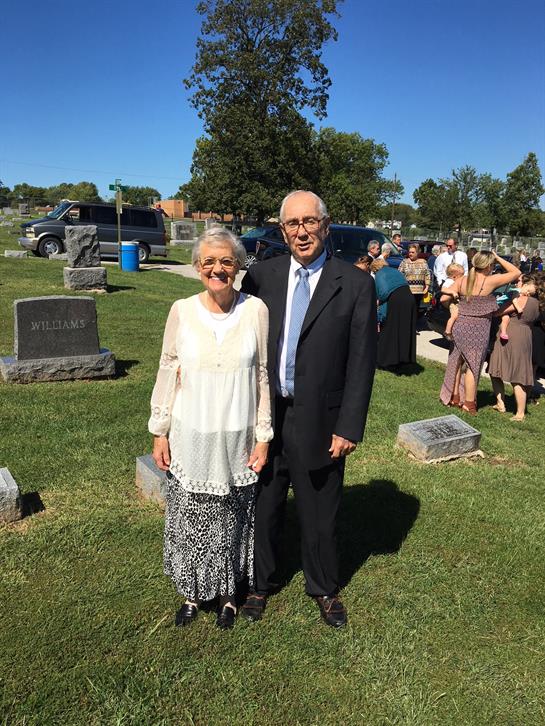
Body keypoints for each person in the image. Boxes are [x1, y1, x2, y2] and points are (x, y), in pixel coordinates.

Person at [240, 190, 376, 628]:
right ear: (282, 231)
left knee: (319, 508)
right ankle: (260, 582)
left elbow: (361, 362)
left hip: (321, 416)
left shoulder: (354, 284)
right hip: (266, 413)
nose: (302, 232)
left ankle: (323, 587)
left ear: (326, 225)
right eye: (292, 224)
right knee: (264, 501)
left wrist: (348, 426)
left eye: (309, 222)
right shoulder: (261, 276)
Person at [149, 227, 273, 630]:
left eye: (226, 261)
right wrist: (160, 430)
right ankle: (191, 592)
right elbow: (167, 369)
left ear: (238, 266)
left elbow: (262, 375)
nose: (217, 269)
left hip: (238, 436)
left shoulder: (255, 310)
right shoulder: (182, 310)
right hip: (190, 434)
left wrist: (263, 437)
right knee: (190, 515)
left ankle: (228, 595)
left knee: (231, 519)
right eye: (208, 261)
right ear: (197, 266)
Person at [439, 250, 520, 414]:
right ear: (489, 265)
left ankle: (454, 397)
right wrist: (498, 257)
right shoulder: (491, 280)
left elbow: (443, 298)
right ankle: (469, 403)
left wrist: (454, 301)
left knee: (456, 361)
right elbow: (516, 272)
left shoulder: (462, 280)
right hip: (479, 327)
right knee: (473, 365)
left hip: (460, 325)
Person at [488, 274, 541, 421]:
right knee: (518, 372)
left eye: (520, 282)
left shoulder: (519, 298)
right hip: (526, 334)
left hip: (511, 335)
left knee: (505, 372)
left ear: (526, 285)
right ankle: (507, 406)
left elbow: (498, 312)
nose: (517, 284)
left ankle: (518, 412)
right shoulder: (537, 303)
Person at [371, 258, 417, 370]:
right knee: (405, 330)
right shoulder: (395, 271)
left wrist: (377, 302)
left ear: (375, 268)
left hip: (396, 301)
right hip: (409, 298)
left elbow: (382, 293)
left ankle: (387, 360)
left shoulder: (380, 274)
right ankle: (404, 359)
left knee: (390, 330)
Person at [498, 277, 536, 342]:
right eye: (528, 291)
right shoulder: (516, 291)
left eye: (530, 294)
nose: (527, 293)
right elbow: (514, 300)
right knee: (506, 318)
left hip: (503, 304)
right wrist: (518, 308)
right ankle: (503, 332)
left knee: (506, 317)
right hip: (500, 304)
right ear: (525, 285)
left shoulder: (519, 292)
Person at [398, 243, 431, 315]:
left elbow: (427, 274)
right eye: (409, 252)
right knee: (407, 311)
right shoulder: (404, 262)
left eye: (413, 252)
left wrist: (427, 287)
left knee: (415, 311)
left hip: (419, 292)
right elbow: (399, 275)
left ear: (417, 253)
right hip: (407, 291)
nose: (410, 254)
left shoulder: (423, 262)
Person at [442, 262, 465, 338]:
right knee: (454, 316)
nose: (463, 277)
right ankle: (447, 331)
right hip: (452, 302)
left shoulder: (455, 280)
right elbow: (443, 289)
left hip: (457, 302)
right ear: (454, 276)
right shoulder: (449, 281)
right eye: (461, 276)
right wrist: (452, 292)